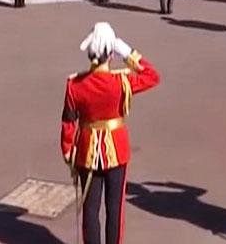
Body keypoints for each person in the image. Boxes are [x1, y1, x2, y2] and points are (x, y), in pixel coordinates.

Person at [61, 22, 161, 244]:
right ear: (111, 55)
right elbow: (152, 76)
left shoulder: (74, 85)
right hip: (117, 150)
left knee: (90, 210)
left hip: (87, 151)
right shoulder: (121, 82)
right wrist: (128, 53)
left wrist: (69, 151)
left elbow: (68, 121)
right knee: (115, 210)